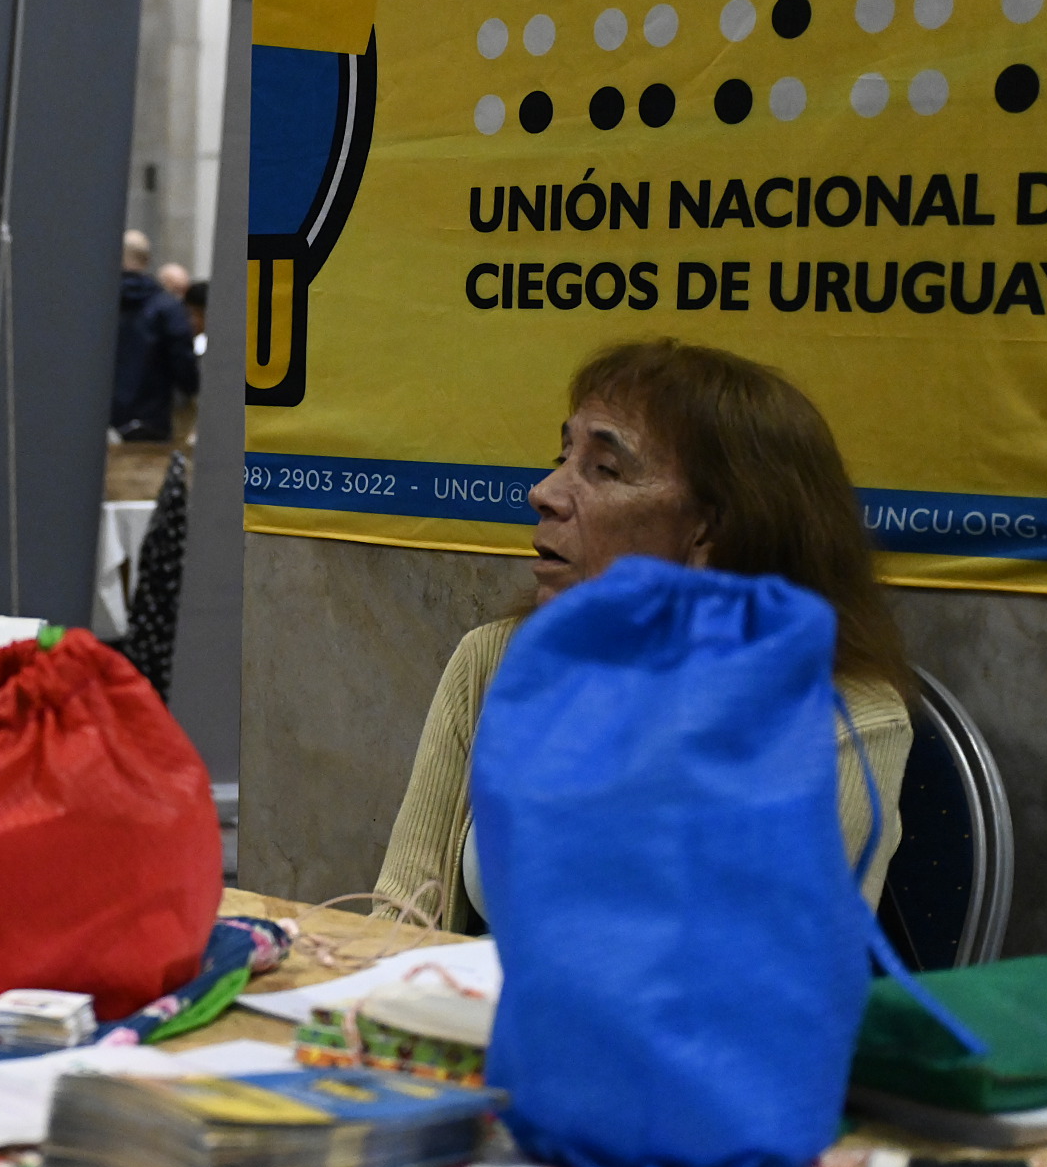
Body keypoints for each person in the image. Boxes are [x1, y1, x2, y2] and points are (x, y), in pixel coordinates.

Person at [375, 339, 915, 934]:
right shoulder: (495, 662)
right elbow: (398, 922)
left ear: (712, 529)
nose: (545, 493)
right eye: (561, 457)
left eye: (605, 469)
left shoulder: (839, 727)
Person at [111, 230, 197, 442]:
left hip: (100, 420)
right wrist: (193, 389)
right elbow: (182, 360)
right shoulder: (167, 307)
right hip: (152, 420)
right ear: (147, 260)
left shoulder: (95, 305)